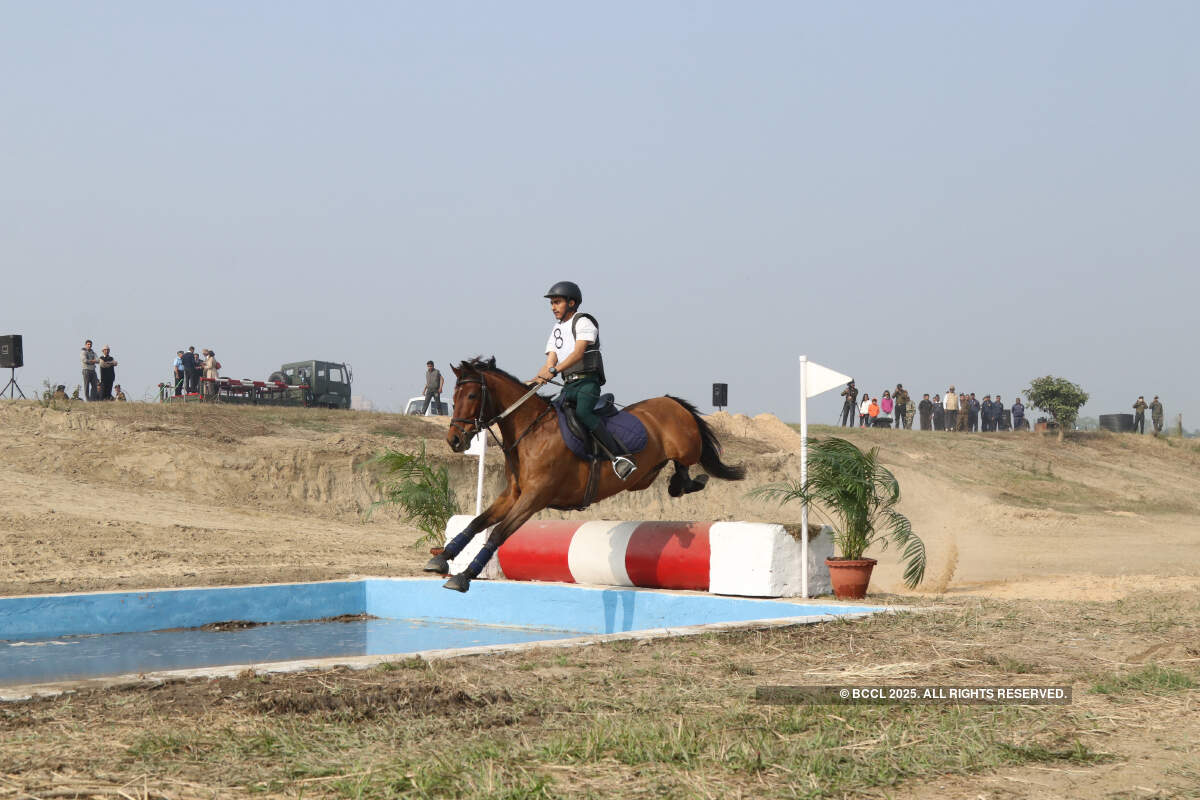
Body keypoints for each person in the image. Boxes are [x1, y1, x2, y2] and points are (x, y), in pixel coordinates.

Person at [532, 281, 635, 479]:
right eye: (551, 303)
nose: (553, 307)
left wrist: (553, 370)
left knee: (584, 413)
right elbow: (549, 362)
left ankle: (619, 458)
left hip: (587, 383)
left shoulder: (583, 322)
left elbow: (578, 353)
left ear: (571, 303)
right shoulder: (556, 329)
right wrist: (533, 382)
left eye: (557, 302)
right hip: (569, 385)